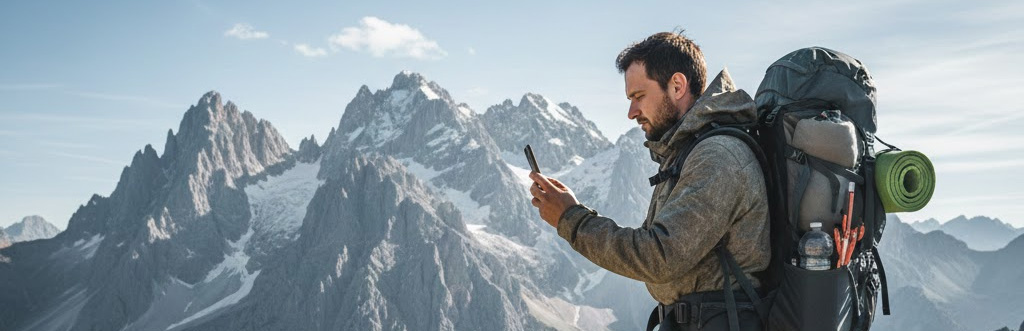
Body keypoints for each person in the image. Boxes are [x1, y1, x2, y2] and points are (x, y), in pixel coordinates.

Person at [528, 31, 770, 330]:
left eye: (638, 97)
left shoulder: (718, 156)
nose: (631, 113)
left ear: (677, 86)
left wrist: (571, 219)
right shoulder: (687, 150)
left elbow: (659, 256)